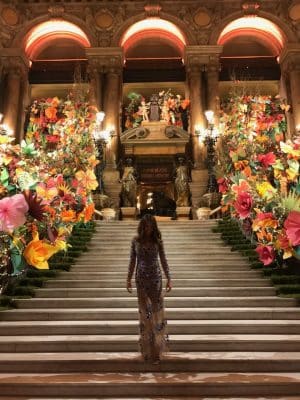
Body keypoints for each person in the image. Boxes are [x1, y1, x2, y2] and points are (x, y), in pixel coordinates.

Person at [126, 214, 172, 363]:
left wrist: (169, 278)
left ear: (154, 227)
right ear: (142, 226)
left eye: (151, 226)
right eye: (146, 226)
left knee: (156, 315)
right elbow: (132, 261)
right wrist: (128, 279)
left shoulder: (158, 242)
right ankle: (146, 350)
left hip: (156, 279)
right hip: (141, 280)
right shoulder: (135, 241)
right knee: (145, 316)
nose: (148, 229)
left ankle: (157, 351)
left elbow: (163, 260)